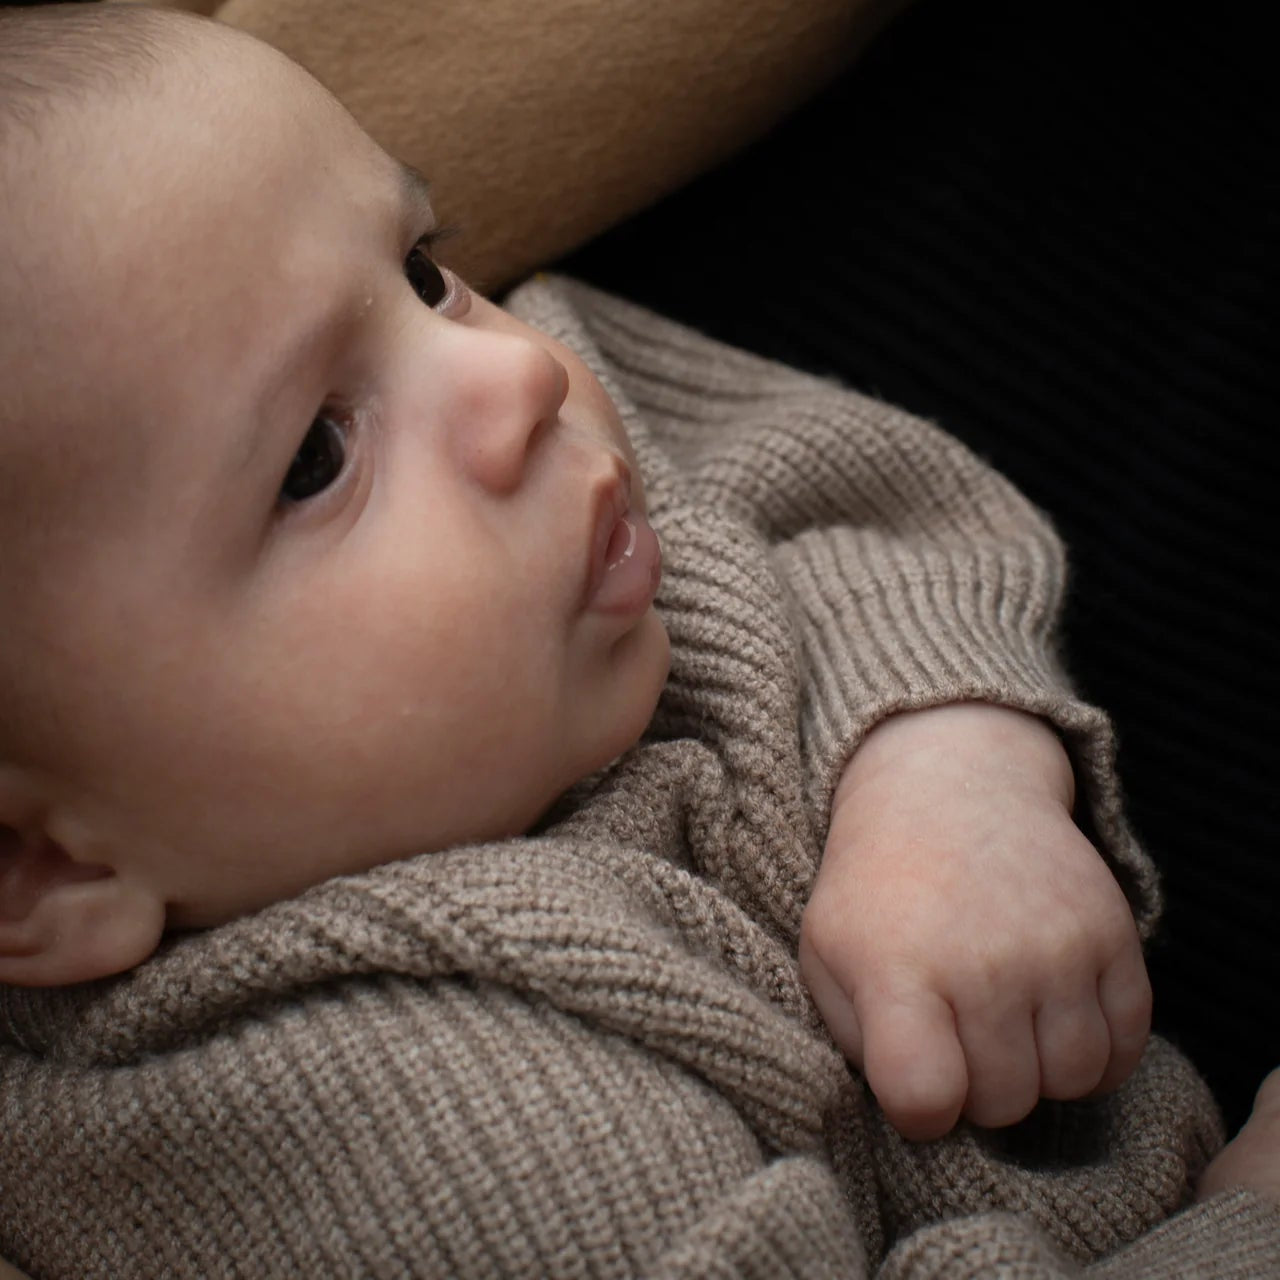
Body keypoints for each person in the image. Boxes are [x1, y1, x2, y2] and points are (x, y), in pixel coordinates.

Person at [0, 5, 1276, 1277]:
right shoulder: (456, 1147)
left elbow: (836, 492)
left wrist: (938, 769)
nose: (520, 376)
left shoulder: (543, 524)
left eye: (421, 268)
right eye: (316, 457)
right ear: (41, 868)